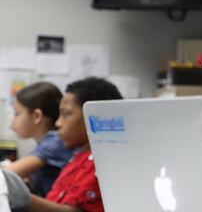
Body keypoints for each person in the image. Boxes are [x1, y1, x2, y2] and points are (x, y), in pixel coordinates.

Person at [14, 77, 123, 212]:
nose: (58, 123)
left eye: (66, 114)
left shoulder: (99, 162)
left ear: (93, 116)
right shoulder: (79, 157)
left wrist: (24, 198)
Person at [6, 82, 74, 196]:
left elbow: (6, 175)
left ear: (37, 116)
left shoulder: (55, 141)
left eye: (17, 114)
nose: (12, 122)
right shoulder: (46, 142)